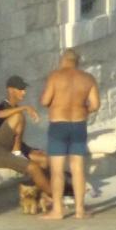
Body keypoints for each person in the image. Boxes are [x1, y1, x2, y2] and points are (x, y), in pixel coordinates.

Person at [40, 49, 100, 220]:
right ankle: (80, 210)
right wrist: (82, 109)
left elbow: (45, 101)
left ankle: (58, 210)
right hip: (78, 125)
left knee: (57, 170)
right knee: (78, 168)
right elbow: (95, 105)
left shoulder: (55, 76)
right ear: (77, 62)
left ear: (62, 61)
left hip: (58, 125)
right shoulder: (88, 79)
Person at [0, 74, 52, 209]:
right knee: (34, 165)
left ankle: (38, 196)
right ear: (10, 90)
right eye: (20, 89)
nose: (24, 92)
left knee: (44, 159)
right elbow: (3, 139)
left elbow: (15, 137)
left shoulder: (10, 110)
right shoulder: (3, 108)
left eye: (24, 89)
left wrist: (30, 150)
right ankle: (56, 196)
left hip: (11, 148)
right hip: (3, 150)